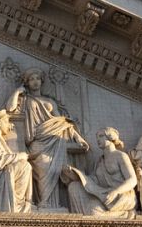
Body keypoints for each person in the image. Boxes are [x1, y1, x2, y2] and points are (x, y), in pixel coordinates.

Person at [6, 69, 86, 209]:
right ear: (27, 83)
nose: (35, 81)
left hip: (54, 140)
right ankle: (44, 203)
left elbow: (62, 123)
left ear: (42, 81)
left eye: (37, 78)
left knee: (55, 170)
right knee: (43, 168)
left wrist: (78, 138)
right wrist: (17, 92)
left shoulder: (50, 101)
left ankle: (50, 205)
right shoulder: (25, 100)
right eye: (31, 79)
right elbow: (10, 108)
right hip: (37, 140)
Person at [65, 127, 138, 218]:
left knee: (93, 212)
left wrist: (116, 192)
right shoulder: (100, 161)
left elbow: (132, 180)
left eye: (101, 136)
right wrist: (76, 175)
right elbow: (94, 180)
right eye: (97, 137)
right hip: (104, 194)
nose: (98, 140)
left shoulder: (120, 156)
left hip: (121, 195)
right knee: (74, 186)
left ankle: (125, 214)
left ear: (110, 137)